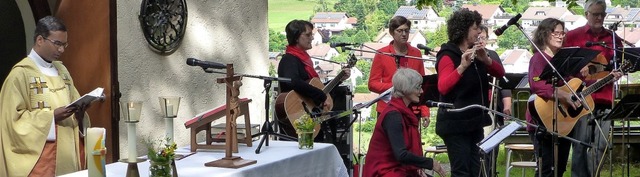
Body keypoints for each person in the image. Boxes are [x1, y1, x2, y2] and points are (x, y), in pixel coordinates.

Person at [0, 16, 90, 176]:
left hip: (69, 153)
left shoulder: (62, 71)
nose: (62, 50)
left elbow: (74, 101)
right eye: (57, 44)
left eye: (65, 44)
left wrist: (80, 113)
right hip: (42, 159)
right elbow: (11, 123)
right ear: (40, 40)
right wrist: (51, 117)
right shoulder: (20, 74)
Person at [434, 8, 505, 177]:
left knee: (476, 170)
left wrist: (486, 60)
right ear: (463, 30)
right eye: (475, 28)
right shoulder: (447, 55)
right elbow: (443, 86)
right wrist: (462, 67)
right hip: (455, 123)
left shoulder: (477, 52)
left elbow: (500, 73)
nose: (479, 31)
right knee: (462, 171)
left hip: (475, 122)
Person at [563, 1, 624, 176]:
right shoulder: (573, 37)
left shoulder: (612, 38)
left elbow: (619, 63)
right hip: (581, 99)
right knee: (580, 144)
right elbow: (563, 66)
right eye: (595, 14)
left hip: (604, 97)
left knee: (601, 145)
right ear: (586, 14)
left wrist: (618, 72)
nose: (599, 18)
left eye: (602, 14)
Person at [364, 68, 446, 177]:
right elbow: (401, 155)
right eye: (418, 87)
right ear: (406, 89)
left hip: (398, 169)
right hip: (384, 172)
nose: (422, 91)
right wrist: (430, 163)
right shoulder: (393, 116)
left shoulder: (402, 111)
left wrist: (418, 168)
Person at [277, 19, 350, 140]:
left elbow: (315, 88)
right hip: (298, 116)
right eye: (308, 34)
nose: (312, 38)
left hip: (312, 117)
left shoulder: (304, 60)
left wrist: (339, 79)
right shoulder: (289, 60)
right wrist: (319, 95)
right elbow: (293, 82)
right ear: (296, 37)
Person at [368, 16, 426, 116]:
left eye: (406, 31)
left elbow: (423, 83)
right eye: (400, 31)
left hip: (412, 109)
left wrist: (425, 111)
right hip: (387, 108)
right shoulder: (382, 54)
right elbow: (372, 84)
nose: (404, 34)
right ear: (392, 32)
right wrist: (397, 87)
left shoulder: (416, 53)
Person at [478, 25, 513, 177]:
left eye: (484, 38)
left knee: (493, 146)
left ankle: (491, 173)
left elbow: (503, 81)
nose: (481, 40)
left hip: (494, 108)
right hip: (479, 108)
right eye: (478, 37)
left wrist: (507, 103)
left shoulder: (492, 55)